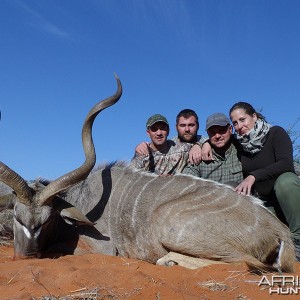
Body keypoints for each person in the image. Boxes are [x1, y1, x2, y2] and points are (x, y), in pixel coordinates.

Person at [229, 101, 300, 261]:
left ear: (254, 116)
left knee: (286, 181)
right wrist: (203, 145)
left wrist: (253, 176)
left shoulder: (276, 133)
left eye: (242, 119)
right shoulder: (240, 143)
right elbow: (217, 137)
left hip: (287, 202)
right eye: (234, 123)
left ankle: (298, 240)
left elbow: (285, 164)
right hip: (266, 206)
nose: (239, 126)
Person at [183, 113, 243, 185]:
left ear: (230, 129)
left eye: (221, 130)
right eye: (212, 132)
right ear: (208, 134)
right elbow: (185, 181)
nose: (217, 136)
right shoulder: (199, 156)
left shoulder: (243, 147)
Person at [135, 109, 207, 165]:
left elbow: (215, 141)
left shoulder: (206, 141)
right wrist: (140, 146)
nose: (187, 129)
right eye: (182, 125)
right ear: (176, 127)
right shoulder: (171, 144)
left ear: (198, 126)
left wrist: (201, 144)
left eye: (191, 125)